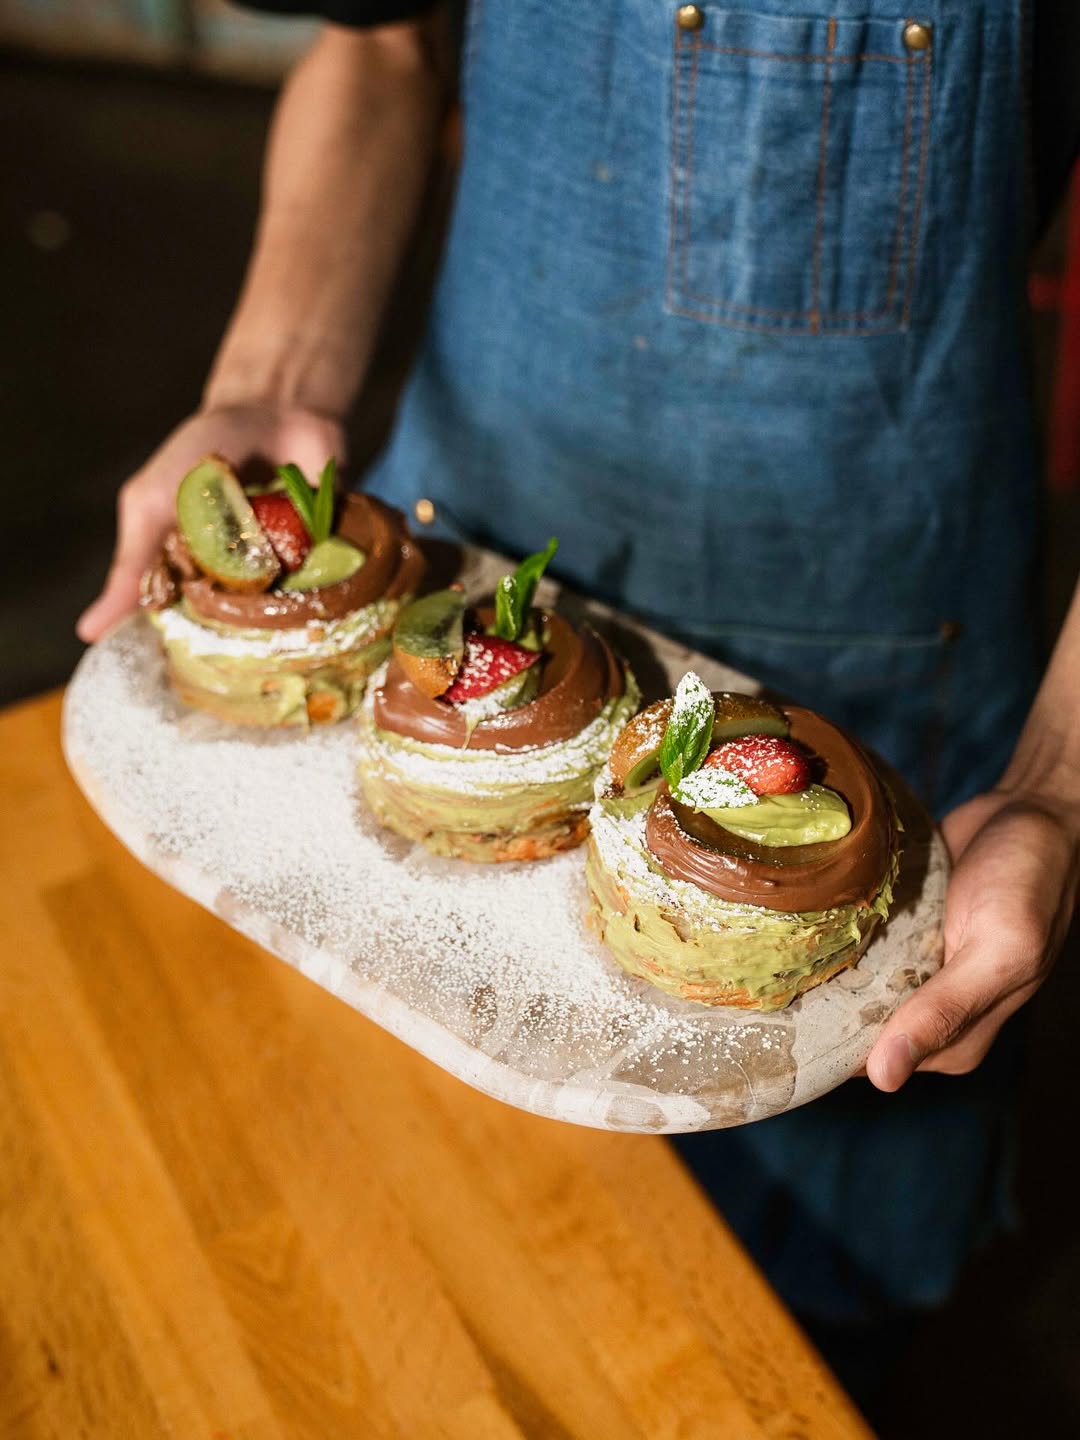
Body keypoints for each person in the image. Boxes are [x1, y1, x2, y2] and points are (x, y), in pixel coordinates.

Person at [77, 0, 1080, 1412]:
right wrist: (270, 386)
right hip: (463, 562)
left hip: (882, 668)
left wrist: (1057, 781)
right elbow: (379, 46)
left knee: (768, 1348)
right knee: (400, 1269)